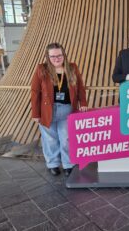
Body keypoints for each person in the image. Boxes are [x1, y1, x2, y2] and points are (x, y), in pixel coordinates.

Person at [31, 43, 88, 176]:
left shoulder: (72, 68)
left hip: (67, 109)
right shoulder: (42, 69)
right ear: (48, 57)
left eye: (59, 55)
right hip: (47, 110)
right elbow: (35, 92)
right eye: (52, 56)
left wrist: (83, 102)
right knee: (50, 139)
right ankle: (53, 164)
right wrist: (35, 113)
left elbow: (80, 86)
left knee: (66, 138)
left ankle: (68, 164)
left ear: (64, 55)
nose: (56, 58)